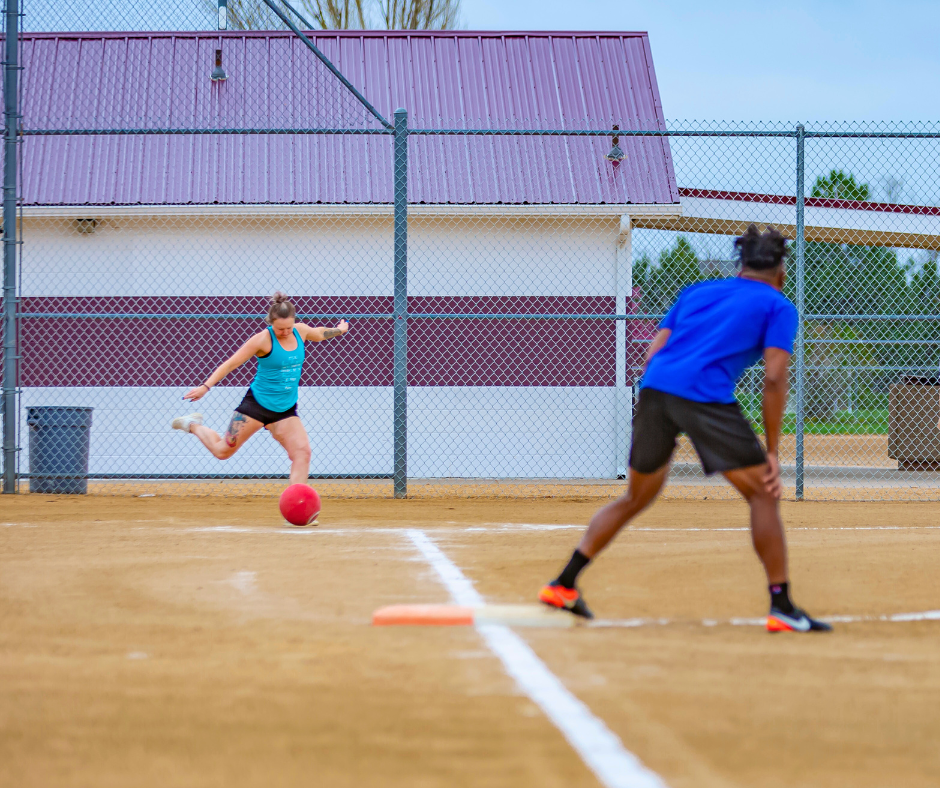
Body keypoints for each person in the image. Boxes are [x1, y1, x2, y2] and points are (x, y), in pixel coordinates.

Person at [539, 225, 831, 633]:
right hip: (703, 394)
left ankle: (564, 584)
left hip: (656, 388)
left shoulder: (698, 292)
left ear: (741, 263)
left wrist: (661, 408)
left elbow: (653, 350)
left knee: (635, 497)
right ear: (781, 269)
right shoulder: (778, 305)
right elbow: (775, 378)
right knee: (764, 494)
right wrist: (773, 453)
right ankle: (781, 606)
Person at [171, 291, 348, 486]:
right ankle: (193, 425)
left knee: (302, 453)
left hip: (285, 410)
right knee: (223, 451)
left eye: (289, 327)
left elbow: (320, 333)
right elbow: (230, 364)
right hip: (257, 406)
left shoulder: (301, 331)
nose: (286, 332)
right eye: (280, 329)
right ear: (271, 323)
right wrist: (205, 387)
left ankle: (298, 505)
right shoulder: (262, 340)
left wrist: (339, 330)